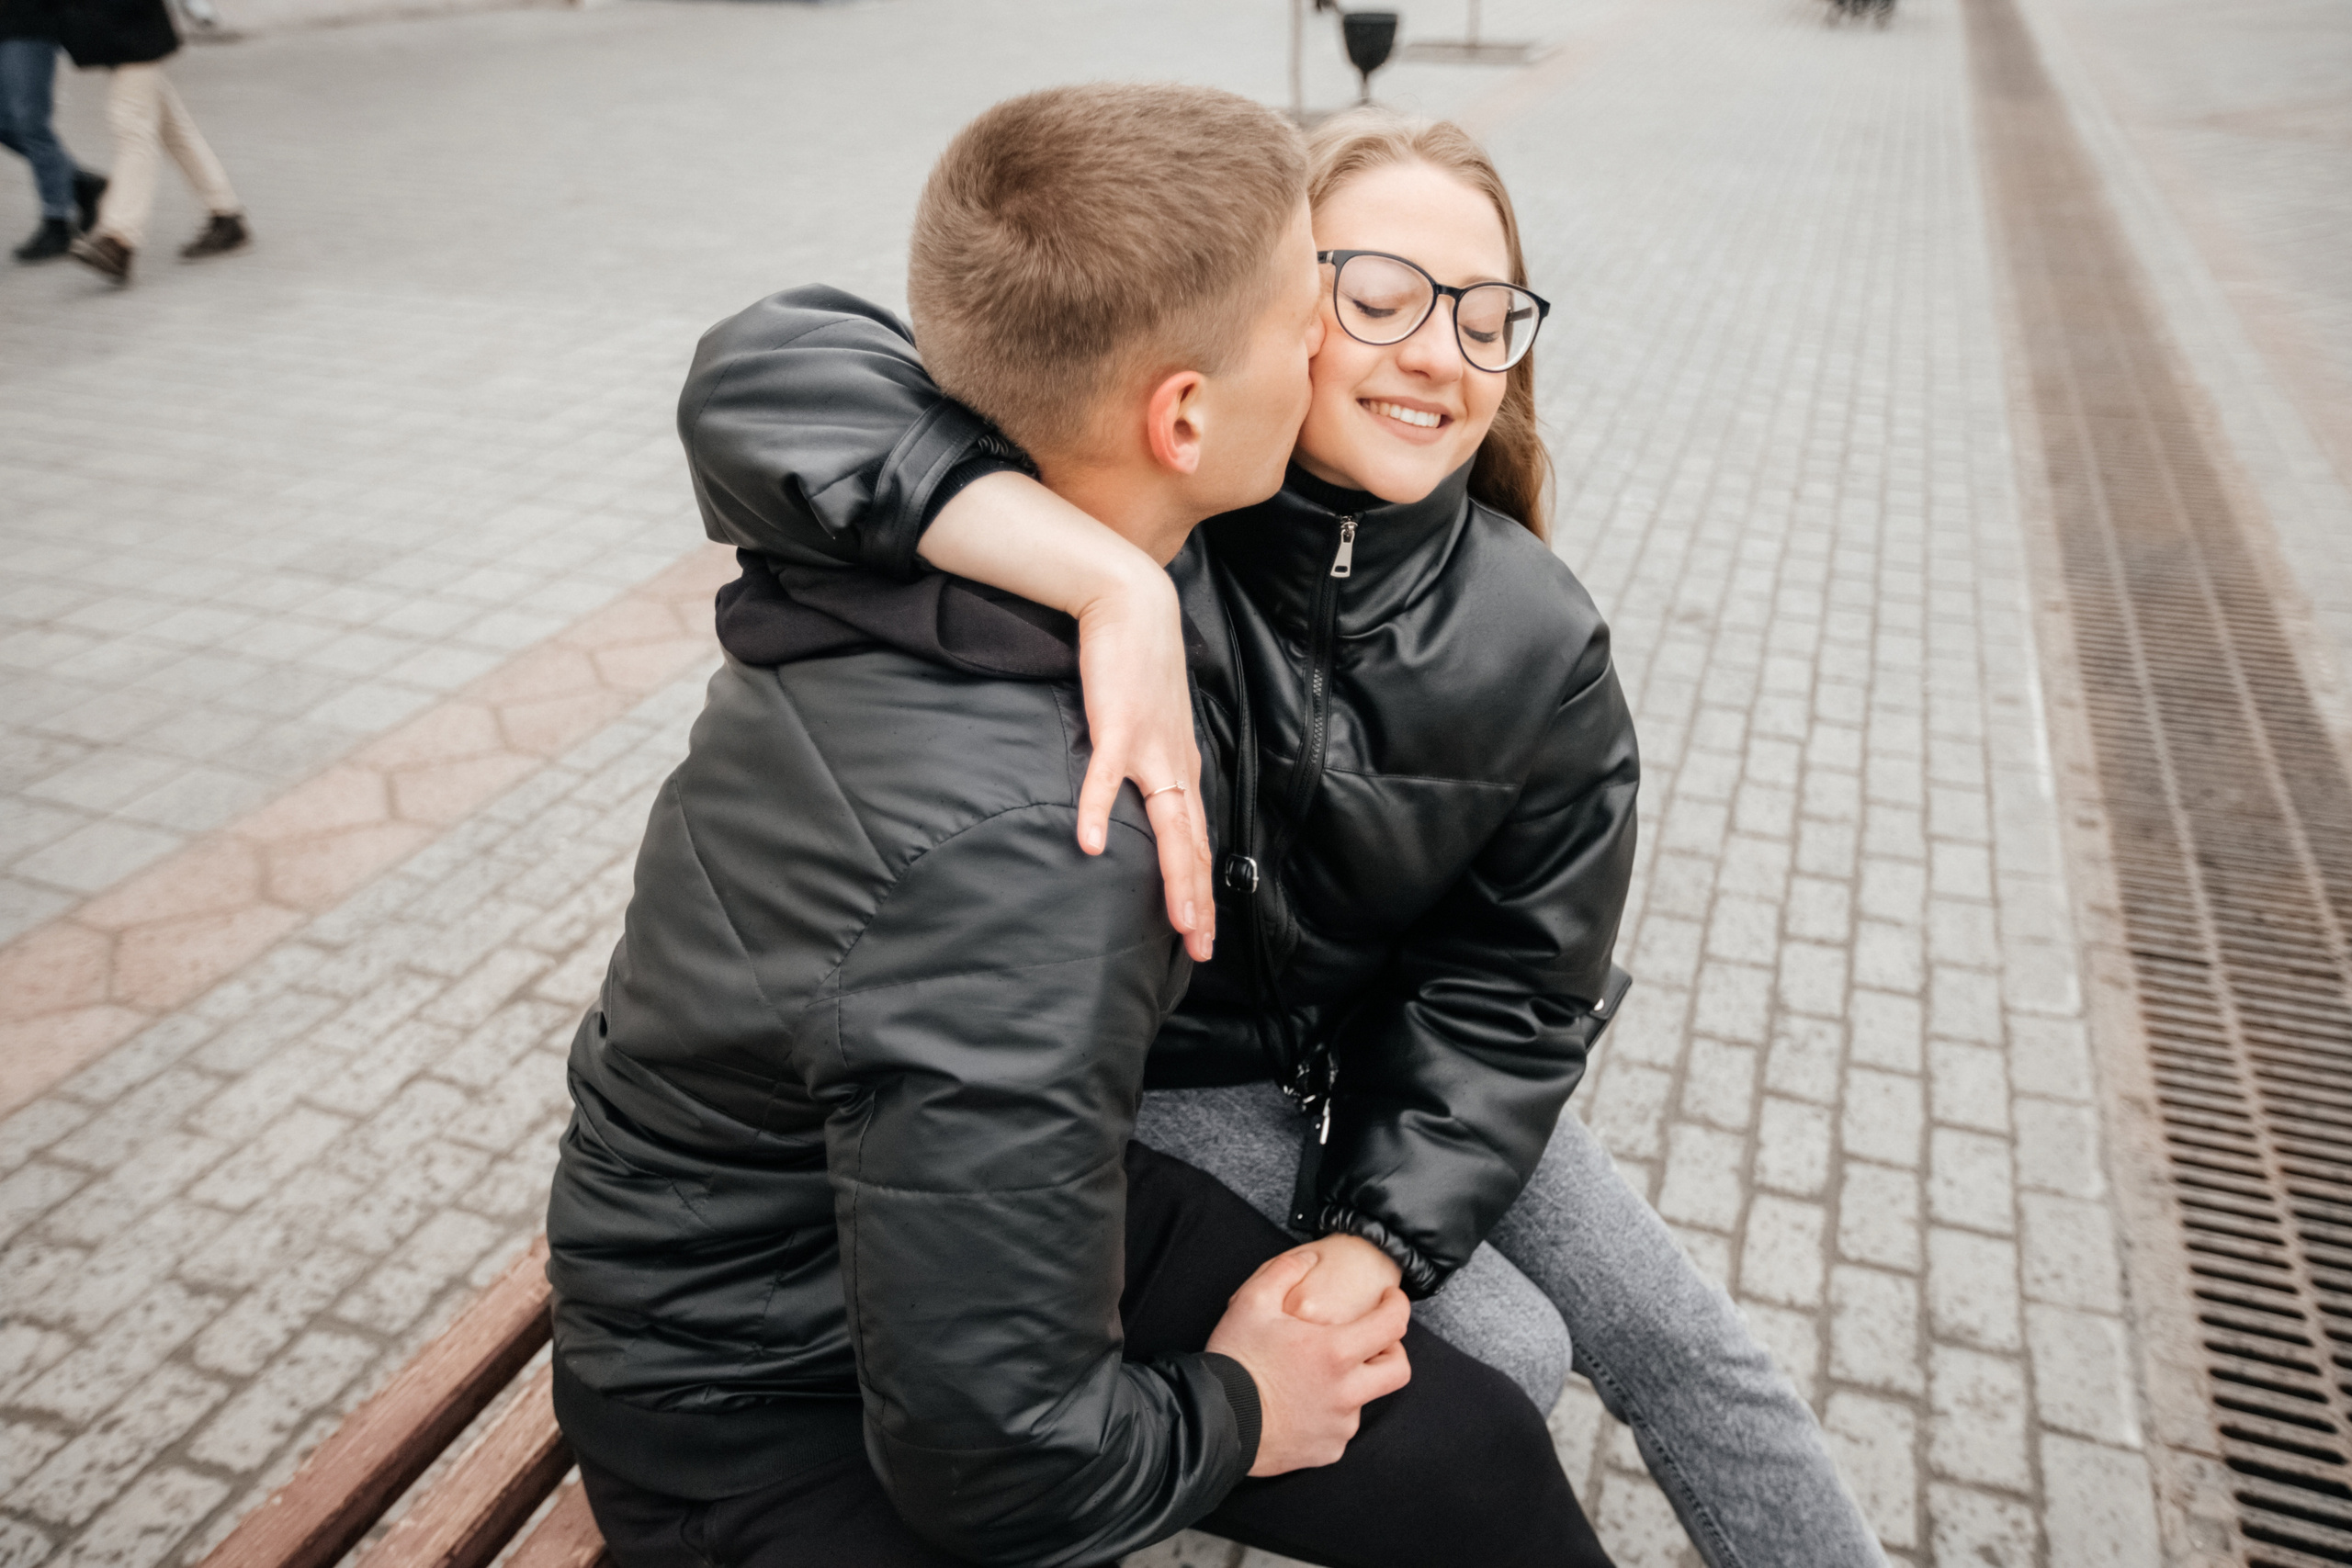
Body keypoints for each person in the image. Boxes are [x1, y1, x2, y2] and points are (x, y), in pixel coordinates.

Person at [699, 108, 1891, 1568]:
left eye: (1489, 315)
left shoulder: (1537, 635)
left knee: (1684, 1342)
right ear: (1275, 306)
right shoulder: (1158, 505)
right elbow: (783, 375)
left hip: (1399, 1064)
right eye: (1380, 296)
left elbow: (1513, 988)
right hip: (1177, 1079)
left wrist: (1382, 1232)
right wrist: (1094, 577)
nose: (1440, 353)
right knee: (1506, 1348)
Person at [545, 85, 1615, 1568]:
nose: (1345, 345)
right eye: (1311, 308)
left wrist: (1111, 583)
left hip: (930, 1205)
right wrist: (1242, 1404)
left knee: (1473, 1436)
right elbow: (998, 1471)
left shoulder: (959, 525)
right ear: (1184, 413)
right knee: (1450, 1400)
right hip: (756, 1400)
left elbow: (789, 356)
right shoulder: (1054, 832)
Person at [56, 0, 246, 283]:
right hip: (119, 33)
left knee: (132, 129)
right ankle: (226, 214)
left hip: (132, 30)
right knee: (172, 128)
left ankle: (118, 239)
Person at [0, 0, 106, 260]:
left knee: (30, 121)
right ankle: (79, 181)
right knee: (4, 125)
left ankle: (58, 220)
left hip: (30, 23)